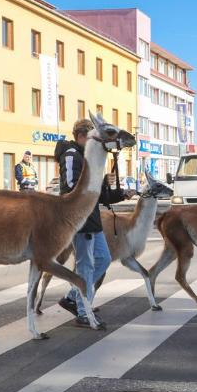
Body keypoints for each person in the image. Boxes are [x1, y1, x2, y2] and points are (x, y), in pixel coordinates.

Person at [53, 119, 136, 327]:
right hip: (79, 219)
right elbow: (71, 187)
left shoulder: (89, 157)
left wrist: (121, 194)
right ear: (81, 136)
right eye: (90, 137)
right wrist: (97, 181)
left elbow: (99, 196)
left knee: (103, 259)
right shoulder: (71, 155)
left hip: (93, 218)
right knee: (85, 266)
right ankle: (83, 310)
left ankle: (73, 297)